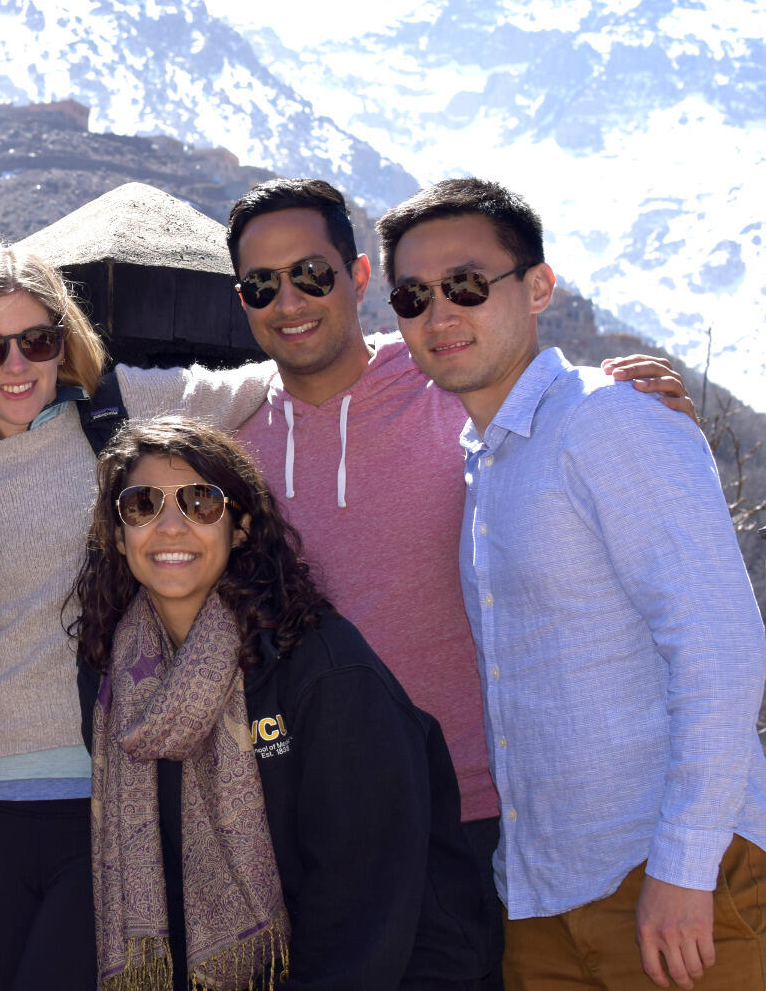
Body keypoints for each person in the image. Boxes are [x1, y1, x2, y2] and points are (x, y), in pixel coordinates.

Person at [220, 177, 695, 985]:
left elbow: (557, 407)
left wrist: (643, 404)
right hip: (311, 827)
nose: (290, 301)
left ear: (361, 277)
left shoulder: (448, 378)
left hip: (480, 816)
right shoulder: (230, 440)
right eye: (263, 284)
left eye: (312, 273)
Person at [376, 177, 766, 991]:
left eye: (468, 285)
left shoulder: (609, 418)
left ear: (540, 287)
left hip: (670, 883)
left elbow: (720, 647)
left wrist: (686, 870)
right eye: (413, 296)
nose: (440, 314)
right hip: (544, 900)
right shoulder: (487, 460)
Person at [0, 244, 270, 991]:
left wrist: (405, 351)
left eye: (36, 341)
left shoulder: (119, 413)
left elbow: (267, 382)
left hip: (102, 800)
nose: (14, 364)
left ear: (63, 341)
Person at [73, 416, 491, 990]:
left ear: (240, 527)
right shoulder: (113, 678)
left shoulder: (323, 668)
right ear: (119, 535)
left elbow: (362, 897)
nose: (170, 526)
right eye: (142, 504)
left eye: (201, 503)